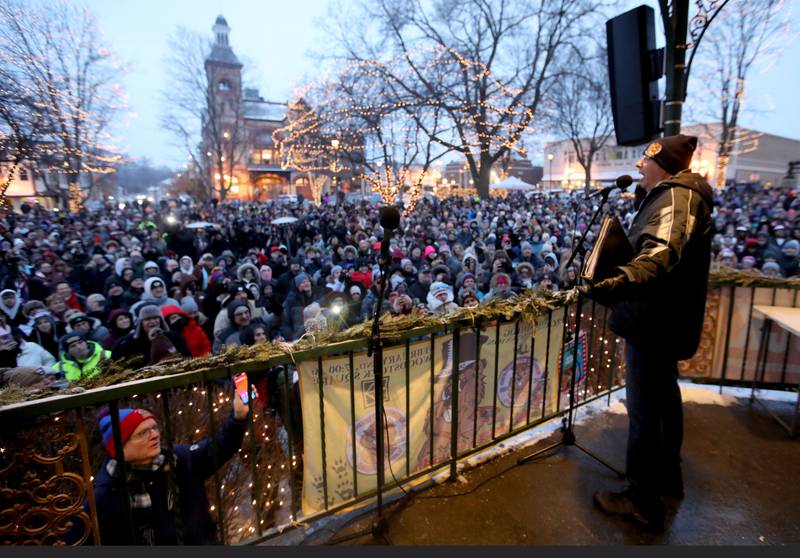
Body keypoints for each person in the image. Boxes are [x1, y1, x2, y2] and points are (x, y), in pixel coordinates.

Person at [586, 134, 713, 530]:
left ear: (663, 164)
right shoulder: (677, 195)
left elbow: (658, 254)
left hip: (655, 322)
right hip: (662, 319)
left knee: (645, 413)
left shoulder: (676, 197)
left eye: (646, 160)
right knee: (663, 405)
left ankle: (642, 501)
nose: (640, 166)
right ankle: (666, 481)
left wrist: (616, 281)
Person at [91, 388, 250, 544]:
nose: (154, 435)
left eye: (154, 428)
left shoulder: (178, 459)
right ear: (119, 448)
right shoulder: (107, 493)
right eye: (142, 433)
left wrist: (239, 416)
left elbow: (218, 447)